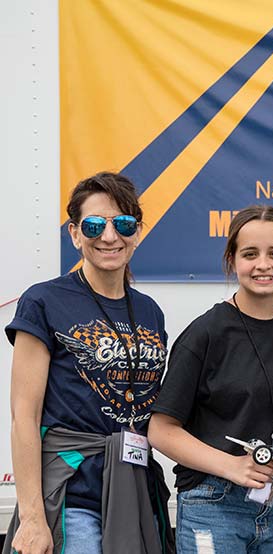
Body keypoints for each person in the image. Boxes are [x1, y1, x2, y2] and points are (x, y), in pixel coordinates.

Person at [4, 172, 173, 554]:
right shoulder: (44, 301)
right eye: (94, 225)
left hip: (135, 489)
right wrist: (32, 517)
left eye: (123, 224)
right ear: (75, 234)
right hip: (73, 496)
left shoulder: (150, 311)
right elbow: (24, 417)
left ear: (137, 232)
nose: (109, 236)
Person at [148, 205, 273, 553]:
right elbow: (161, 431)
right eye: (250, 254)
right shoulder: (205, 334)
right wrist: (233, 467)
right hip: (214, 505)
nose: (263, 265)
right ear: (231, 260)